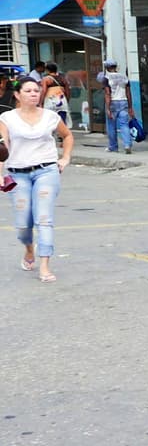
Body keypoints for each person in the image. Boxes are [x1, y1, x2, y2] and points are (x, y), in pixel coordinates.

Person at [0, 75, 75, 283]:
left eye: (36, 90)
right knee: (23, 222)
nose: (34, 94)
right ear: (17, 95)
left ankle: (44, 266)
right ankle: (28, 249)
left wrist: (65, 158)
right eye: (28, 91)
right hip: (17, 173)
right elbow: (2, 149)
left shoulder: (50, 116)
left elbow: (67, 136)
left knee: (44, 218)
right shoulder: (7, 119)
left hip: (46, 171)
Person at [99, 60, 136, 154]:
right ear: (116, 67)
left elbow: (108, 93)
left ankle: (113, 146)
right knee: (124, 125)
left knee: (111, 126)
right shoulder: (124, 77)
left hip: (113, 103)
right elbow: (128, 92)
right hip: (124, 102)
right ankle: (127, 145)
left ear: (107, 68)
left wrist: (108, 108)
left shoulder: (106, 78)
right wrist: (130, 107)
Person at [39, 62, 72, 126]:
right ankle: (61, 134)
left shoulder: (46, 79)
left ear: (47, 70)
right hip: (62, 100)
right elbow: (68, 91)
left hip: (50, 101)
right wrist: (67, 100)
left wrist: (41, 102)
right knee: (62, 120)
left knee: (50, 121)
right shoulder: (63, 78)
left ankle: (52, 134)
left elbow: (44, 91)